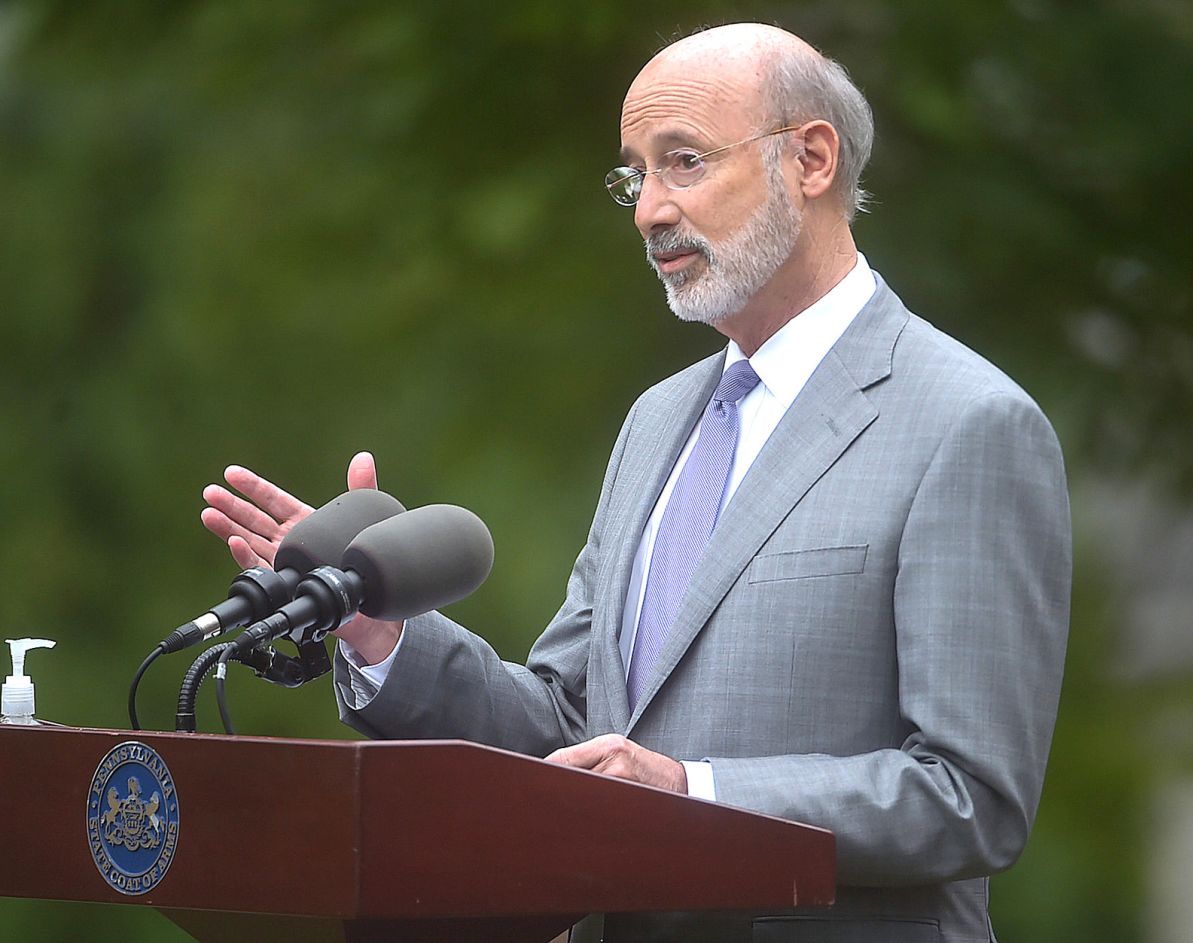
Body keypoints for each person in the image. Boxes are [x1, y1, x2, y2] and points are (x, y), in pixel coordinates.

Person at [202, 23, 1071, 943]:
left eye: (684, 163)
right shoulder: (658, 421)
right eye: (636, 175)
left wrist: (692, 792)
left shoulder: (966, 423)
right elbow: (569, 727)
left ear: (811, 159)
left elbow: (971, 795)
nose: (649, 210)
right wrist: (383, 634)